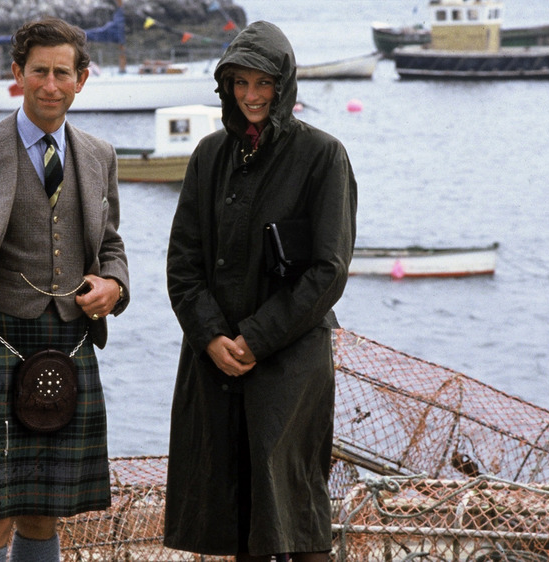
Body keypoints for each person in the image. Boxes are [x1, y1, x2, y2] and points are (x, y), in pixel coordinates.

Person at [0, 16, 129, 562]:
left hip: (70, 345)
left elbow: (110, 246)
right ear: (18, 74)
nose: (51, 85)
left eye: (64, 72)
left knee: (44, 511)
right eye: (39, 71)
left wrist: (114, 284)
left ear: (82, 78)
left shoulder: (99, 155)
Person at [163, 20, 357, 562]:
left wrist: (254, 338)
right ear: (226, 87)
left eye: (263, 83)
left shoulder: (323, 156)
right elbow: (182, 263)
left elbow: (329, 270)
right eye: (240, 83)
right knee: (232, 514)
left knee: (295, 512)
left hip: (290, 362)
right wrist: (211, 337)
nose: (251, 96)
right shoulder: (208, 156)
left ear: (283, 86)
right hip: (214, 360)